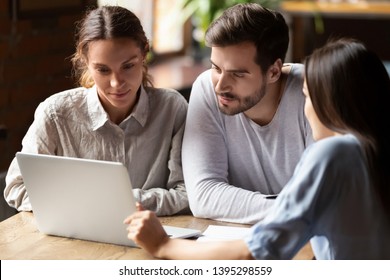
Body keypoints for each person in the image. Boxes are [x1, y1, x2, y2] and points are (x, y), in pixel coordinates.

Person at [124, 37, 390, 259]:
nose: (305, 108)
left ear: (332, 104)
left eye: (307, 96)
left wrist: (163, 244)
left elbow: (256, 251)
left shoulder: (333, 154)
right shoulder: (371, 151)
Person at [4, 6, 189, 216]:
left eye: (128, 66)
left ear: (144, 53)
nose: (116, 82)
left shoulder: (172, 109)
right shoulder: (55, 114)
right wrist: (105, 204)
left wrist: (114, 201)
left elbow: (188, 193)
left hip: (155, 239)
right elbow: (17, 187)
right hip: (75, 240)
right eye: (103, 70)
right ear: (85, 62)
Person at [182, 3, 313, 224]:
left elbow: (321, 202)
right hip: (237, 237)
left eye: (237, 74)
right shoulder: (206, 87)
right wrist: (293, 210)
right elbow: (203, 195)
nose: (220, 86)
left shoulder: (313, 93)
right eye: (216, 68)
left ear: (273, 71)